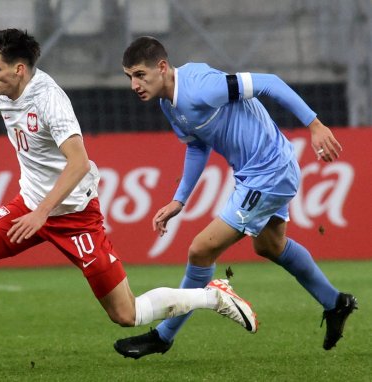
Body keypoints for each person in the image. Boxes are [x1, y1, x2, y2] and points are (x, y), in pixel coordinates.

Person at [0, 29, 258, 348]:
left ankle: (213, 295)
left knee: (126, 314)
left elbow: (79, 162)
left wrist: (43, 213)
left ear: (19, 70)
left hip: (76, 217)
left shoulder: (50, 101)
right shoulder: (6, 93)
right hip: (28, 207)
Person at [113, 36, 358, 359]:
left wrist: (313, 124)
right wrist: (179, 200)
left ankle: (163, 335)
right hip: (256, 171)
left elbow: (269, 83)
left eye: (140, 75)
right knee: (270, 245)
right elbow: (197, 144)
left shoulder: (201, 87)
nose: (134, 84)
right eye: (129, 76)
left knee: (200, 250)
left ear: (162, 67)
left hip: (270, 172)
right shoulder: (167, 103)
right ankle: (335, 302)